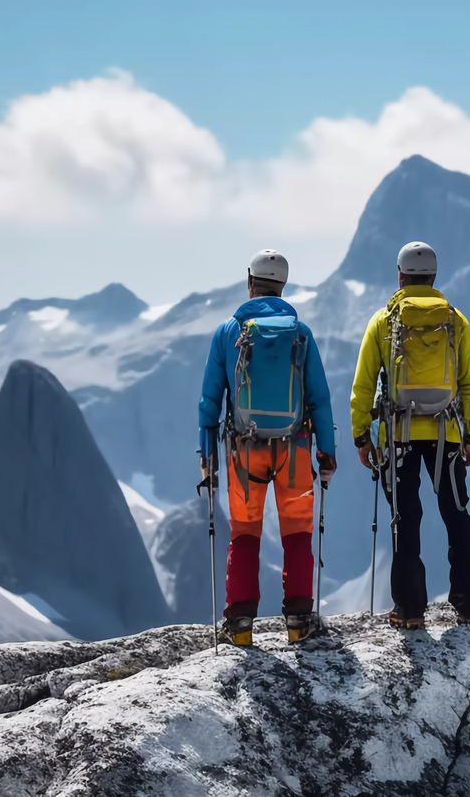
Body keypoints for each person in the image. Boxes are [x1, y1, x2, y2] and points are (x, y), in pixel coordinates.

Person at [198, 249, 337, 646]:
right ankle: (297, 623)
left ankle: (240, 627)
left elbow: (210, 400)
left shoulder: (230, 331)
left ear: (250, 282)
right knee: (297, 534)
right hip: (295, 449)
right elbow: (319, 399)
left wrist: (207, 456)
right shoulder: (300, 333)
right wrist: (326, 454)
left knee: (244, 533)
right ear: (283, 286)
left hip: (244, 451)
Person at [350, 241, 470, 629]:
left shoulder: (384, 321)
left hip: (399, 435)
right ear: (434, 277)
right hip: (447, 433)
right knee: (456, 513)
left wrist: (363, 436)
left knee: (404, 517)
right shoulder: (455, 320)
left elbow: (362, 387)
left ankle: (409, 610)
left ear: (400, 276)